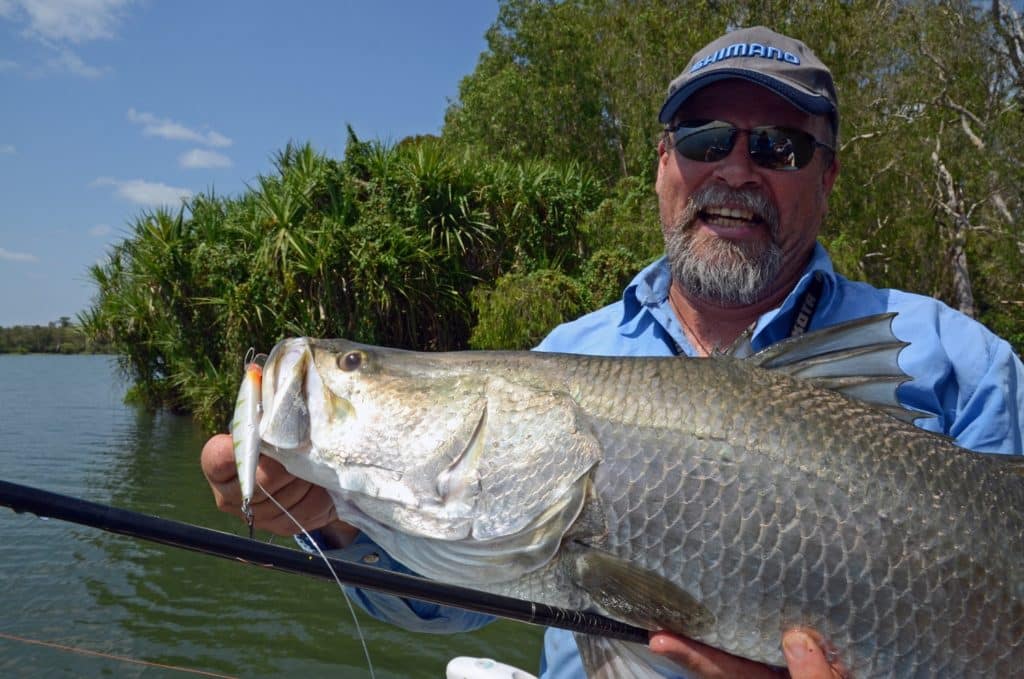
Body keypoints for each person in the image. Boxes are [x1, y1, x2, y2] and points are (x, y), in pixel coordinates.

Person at [201, 26, 1024, 679]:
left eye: (779, 147)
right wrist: (339, 524)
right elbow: (458, 598)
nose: (736, 169)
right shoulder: (568, 352)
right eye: (705, 139)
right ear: (664, 162)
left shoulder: (962, 364)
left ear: (829, 175)